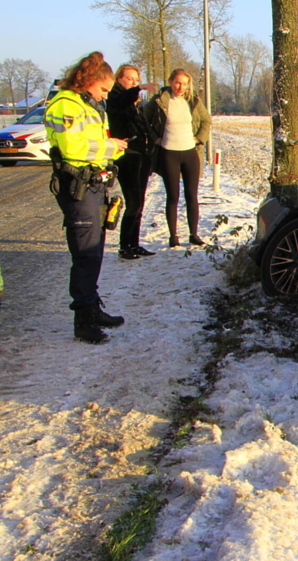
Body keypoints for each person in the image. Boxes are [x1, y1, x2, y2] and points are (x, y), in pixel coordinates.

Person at [43, 51, 128, 344]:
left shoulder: (87, 104)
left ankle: (92, 306)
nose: (106, 94)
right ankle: (83, 320)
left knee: (94, 250)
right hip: (77, 185)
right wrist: (110, 147)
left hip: (93, 184)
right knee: (85, 253)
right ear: (89, 80)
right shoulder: (65, 105)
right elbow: (73, 148)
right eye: (103, 88)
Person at [144, 68, 212, 247]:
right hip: (169, 153)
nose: (180, 87)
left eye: (184, 84)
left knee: (192, 195)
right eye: (177, 83)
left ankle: (194, 234)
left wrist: (199, 138)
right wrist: (156, 139)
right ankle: (173, 237)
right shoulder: (160, 100)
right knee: (172, 196)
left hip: (190, 152)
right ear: (170, 81)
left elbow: (206, 120)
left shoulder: (193, 101)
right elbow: (143, 121)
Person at [107, 64, 159, 260]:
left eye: (136, 80)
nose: (133, 83)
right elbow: (119, 105)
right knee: (133, 202)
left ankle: (134, 243)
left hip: (142, 155)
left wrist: (152, 144)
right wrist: (140, 89)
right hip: (127, 156)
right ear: (119, 79)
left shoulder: (134, 102)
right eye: (129, 79)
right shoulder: (115, 97)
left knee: (140, 202)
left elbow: (144, 126)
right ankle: (124, 245)